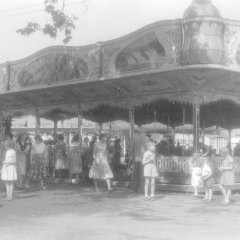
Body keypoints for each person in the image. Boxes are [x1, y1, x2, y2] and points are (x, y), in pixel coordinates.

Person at [132, 127, 147, 193]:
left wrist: (131, 156)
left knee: (136, 175)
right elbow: (145, 148)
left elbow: (131, 148)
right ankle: (141, 189)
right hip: (142, 158)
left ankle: (135, 189)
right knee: (142, 174)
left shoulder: (134, 138)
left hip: (136, 158)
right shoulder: (143, 137)